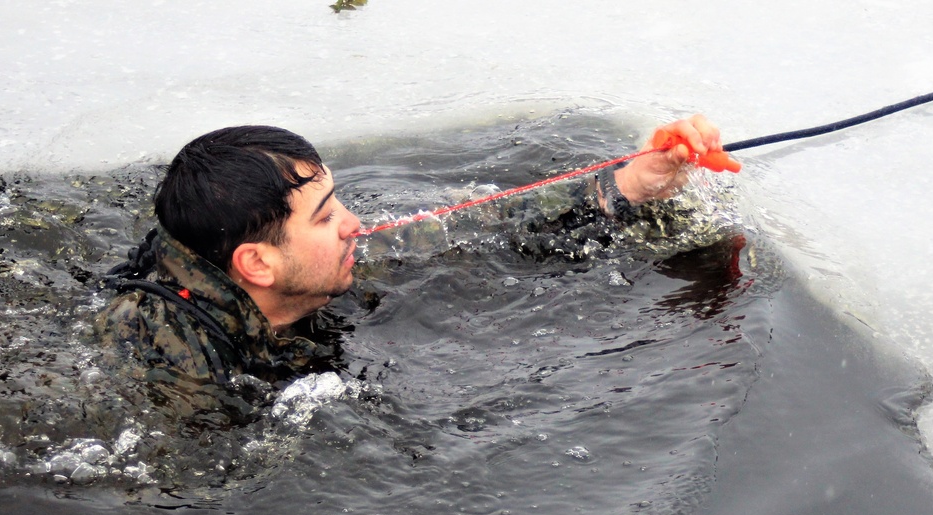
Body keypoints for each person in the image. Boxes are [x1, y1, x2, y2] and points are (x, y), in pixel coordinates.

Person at [97, 115, 728, 390]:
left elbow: (470, 228)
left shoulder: (294, 261)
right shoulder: (167, 368)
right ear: (257, 264)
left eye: (337, 202)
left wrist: (622, 186)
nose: (355, 225)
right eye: (327, 217)